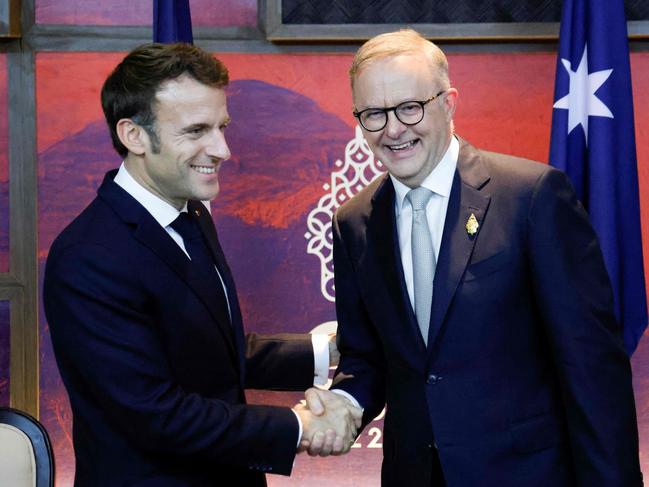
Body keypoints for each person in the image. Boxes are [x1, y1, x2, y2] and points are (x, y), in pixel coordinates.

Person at [307, 29, 642, 486]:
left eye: (409, 107)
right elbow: (366, 358)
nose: (393, 129)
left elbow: (591, 368)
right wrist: (345, 405)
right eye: (373, 114)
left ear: (448, 103)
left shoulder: (531, 198)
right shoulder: (353, 222)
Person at [43, 43, 360, 487]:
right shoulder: (87, 257)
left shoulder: (190, 213)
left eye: (221, 127)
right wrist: (301, 427)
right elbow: (155, 413)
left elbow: (203, 351)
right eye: (196, 131)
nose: (223, 149)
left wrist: (324, 351)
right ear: (134, 136)